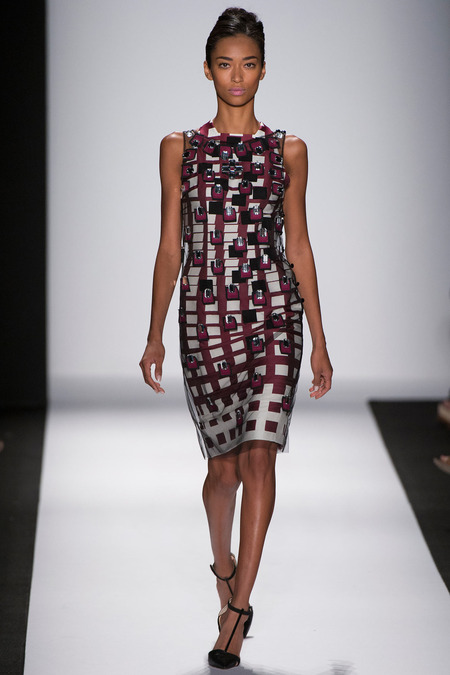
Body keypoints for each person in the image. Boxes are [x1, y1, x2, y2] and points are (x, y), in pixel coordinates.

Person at [140, 7, 333, 670]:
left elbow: (299, 245)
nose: (237, 76)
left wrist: (320, 337)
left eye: (248, 63)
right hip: (205, 317)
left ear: (264, 70)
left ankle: (238, 612)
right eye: (225, 63)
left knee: (260, 461)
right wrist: (154, 333)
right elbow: (171, 245)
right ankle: (222, 566)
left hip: (274, 313)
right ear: (207, 69)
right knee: (222, 472)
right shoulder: (179, 148)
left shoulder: (288, 150)